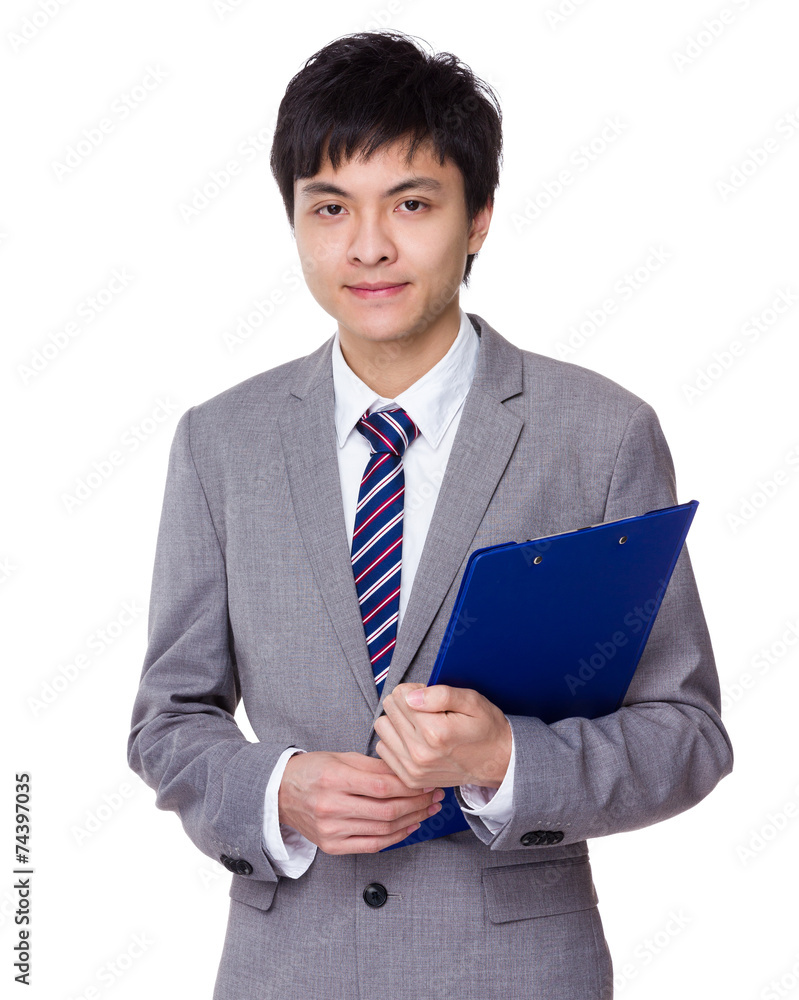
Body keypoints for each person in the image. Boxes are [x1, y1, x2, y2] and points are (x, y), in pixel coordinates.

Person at [127, 30, 733, 999]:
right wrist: (276, 788)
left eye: (410, 203)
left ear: (478, 216)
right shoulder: (221, 442)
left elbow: (687, 734)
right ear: (294, 219)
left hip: (518, 972)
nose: (367, 245)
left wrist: (506, 759)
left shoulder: (600, 433)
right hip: (291, 972)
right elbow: (168, 719)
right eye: (330, 208)